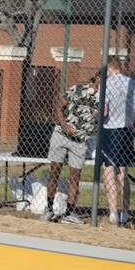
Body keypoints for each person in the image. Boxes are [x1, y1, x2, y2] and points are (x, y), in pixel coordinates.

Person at [40, 77, 98, 225]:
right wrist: (65, 126)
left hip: (80, 142)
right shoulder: (77, 89)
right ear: (97, 78)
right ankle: (49, 209)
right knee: (55, 170)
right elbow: (59, 107)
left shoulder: (104, 98)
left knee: (75, 176)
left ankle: (69, 213)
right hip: (61, 135)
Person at [100, 57, 135, 226]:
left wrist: (95, 114)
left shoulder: (106, 84)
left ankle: (113, 213)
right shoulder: (132, 83)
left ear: (109, 68)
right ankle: (125, 211)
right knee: (122, 172)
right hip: (127, 130)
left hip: (111, 130)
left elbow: (104, 111)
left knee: (108, 170)